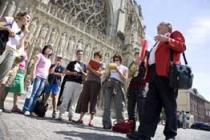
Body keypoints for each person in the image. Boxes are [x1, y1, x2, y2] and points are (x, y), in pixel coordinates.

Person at [127, 22, 186, 140]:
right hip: (154, 76)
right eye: (157, 26)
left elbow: (182, 46)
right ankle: (144, 134)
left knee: (169, 106)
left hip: (167, 75)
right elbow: (154, 58)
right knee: (150, 106)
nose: (158, 27)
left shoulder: (174, 34)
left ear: (168, 27)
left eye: (161, 25)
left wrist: (167, 40)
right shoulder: (157, 42)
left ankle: (170, 135)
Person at [0, 11, 31, 112]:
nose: (28, 20)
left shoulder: (22, 31)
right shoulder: (10, 20)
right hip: (3, 47)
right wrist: (8, 29)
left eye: (29, 19)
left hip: (12, 52)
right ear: (21, 16)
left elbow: (19, 45)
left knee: (1, 77)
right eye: (27, 17)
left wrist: (25, 34)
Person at [75, 51, 105, 127]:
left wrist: (90, 68)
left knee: (93, 101)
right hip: (88, 81)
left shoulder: (102, 64)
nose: (96, 58)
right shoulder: (91, 62)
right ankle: (80, 118)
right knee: (84, 99)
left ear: (100, 58)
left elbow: (99, 74)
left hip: (96, 83)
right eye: (95, 57)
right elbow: (90, 72)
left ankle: (91, 120)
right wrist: (88, 70)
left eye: (97, 57)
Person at [58, 49, 87, 121]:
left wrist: (82, 72)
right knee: (66, 98)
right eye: (79, 54)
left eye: (81, 54)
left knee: (74, 101)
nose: (80, 55)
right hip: (70, 82)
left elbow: (86, 76)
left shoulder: (84, 65)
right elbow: (65, 71)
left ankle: (71, 115)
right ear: (76, 55)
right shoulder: (72, 63)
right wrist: (72, 73)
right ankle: (61, 114)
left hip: (79, 84)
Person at [24, 45, 53, 116]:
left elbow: (47, 70)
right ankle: (26, 109)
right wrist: (33, 74)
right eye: (48, 49)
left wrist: (46, 78)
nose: (49, 50)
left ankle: (31, 110)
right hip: (38, 76)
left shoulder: (49, 60)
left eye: (50, 50)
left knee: (37, 95)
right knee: (33, 93)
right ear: (45, 49)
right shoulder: (40, 55)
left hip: (44, 78)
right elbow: (35, 64)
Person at [102, 54, 128, 129]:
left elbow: (125, 79)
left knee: (119, 105)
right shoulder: (111, 66)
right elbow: (106, 75)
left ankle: (120, 124)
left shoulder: (124, 68)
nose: (116, 61)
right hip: (109, 84)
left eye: (117, 60)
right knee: (107, 105)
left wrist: (118, 70)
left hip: (118, 85)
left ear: (120, 60)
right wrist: (107, 71)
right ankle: (106, 123)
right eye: (114, 60)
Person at [2, 41, 29, 113]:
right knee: (7, 86)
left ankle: (15, 106)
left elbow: (25, 62)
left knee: (18, 89)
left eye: (26, 44)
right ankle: (1, 103)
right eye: (24, 43)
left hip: (21, 71)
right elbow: (16, 59)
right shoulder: (18, 50)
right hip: (15, 69)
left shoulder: (25, 52)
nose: (25, 45)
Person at [127, 51, 147, 131]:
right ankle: (131, 128)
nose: (136, 58)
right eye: (135, 56)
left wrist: (141, 65)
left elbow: (146, 74)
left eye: (138, 56)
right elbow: (129, 76)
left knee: (141, 109)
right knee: (130, 109)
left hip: (140, 88)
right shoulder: (132, 64)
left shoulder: (144, 64)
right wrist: (133, 69)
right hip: (132, 87)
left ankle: (142, 129)